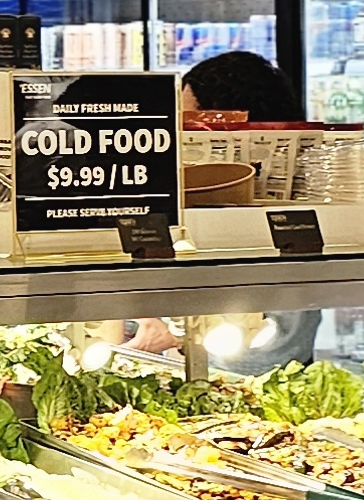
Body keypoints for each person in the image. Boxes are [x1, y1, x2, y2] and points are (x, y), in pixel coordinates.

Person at [125, 50, 319, 374]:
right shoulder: (187, 203)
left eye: (189, 122)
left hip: (257, 384)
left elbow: (273, 354)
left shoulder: (294, 226)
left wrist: (178, 339)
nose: (181, 132)